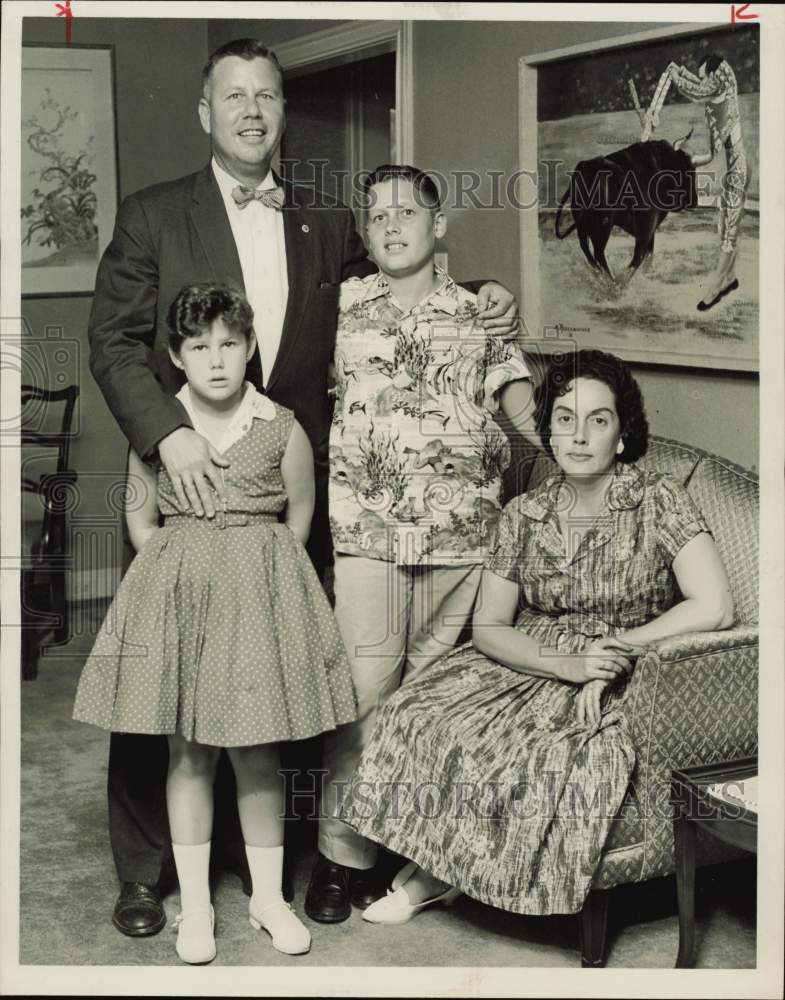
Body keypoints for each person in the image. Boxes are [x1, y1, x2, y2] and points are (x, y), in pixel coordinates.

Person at [87, 36, 519, 936]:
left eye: (268, 97)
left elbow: (391, 297)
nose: (252, 111)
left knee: (284, 678)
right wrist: (168, 440)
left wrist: (474, 290)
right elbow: (114, 344)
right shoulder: (151, 214)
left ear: (283, 114)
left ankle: (274, 866)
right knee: (163, 681)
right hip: (186, 483)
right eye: (233, 96)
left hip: (292, 486)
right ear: (206, 113)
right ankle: (144, 870)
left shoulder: (322, 223)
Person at [332, 349, 733, 923]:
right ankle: (443, 868)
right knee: (417, 708)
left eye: (599, 420)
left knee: (544, 752)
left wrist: (621, 649)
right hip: (537, 654)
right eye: (565, 419)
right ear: (548, 430)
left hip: (628, 665)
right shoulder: (524, 513)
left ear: (622, 435)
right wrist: (563, 663)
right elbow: (491, 627)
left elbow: (714, 605)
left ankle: (434, 879)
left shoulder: (657, 497)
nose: (579, 435)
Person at [74, 283, 358, 963]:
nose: (217, 360)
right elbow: (141, 523)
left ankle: (268, 899)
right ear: (176, 355)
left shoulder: (281, 425)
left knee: (257, 752)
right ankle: (195, 907)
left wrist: (256, 574)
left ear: (250, 345)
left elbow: (299, 517)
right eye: (199, 347)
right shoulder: (160, 429)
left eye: (230, 343)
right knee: (187, 752)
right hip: (181, 601)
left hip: (259, 604)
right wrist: (189, 570)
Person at [304, 165, 542, 924]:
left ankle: (415, 858)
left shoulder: (480, 313)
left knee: (434, 705)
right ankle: (341, 858)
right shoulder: (338, 308)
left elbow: (517, 402)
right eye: (376, 216)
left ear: (438, 227)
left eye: (408, 212)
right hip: (368, 536)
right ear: (365, 235)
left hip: (464, 538)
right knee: (363, 698)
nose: (392, 224)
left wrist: (559, 460)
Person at [666, 53, 748, 311]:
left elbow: (697, 91)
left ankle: (714, 287)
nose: (702, 81)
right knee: (722, 225)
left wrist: (676, 76)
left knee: (728, 235)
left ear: (714, 76)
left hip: (737, 171)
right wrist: (681, 70)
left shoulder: (718, 87)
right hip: (733, 167)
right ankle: (730, 278)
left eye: (704, 76)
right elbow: (703, 87)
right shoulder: (724, 86)